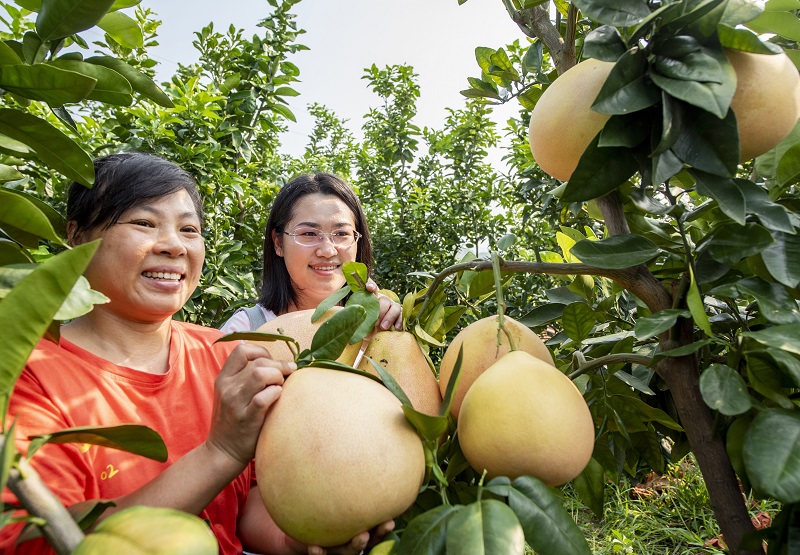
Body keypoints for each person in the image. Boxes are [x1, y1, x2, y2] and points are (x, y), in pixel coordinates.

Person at [0, 153, 389, 555]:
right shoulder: (27, 375)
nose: (173, 246)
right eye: (144, 223)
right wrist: (220, 452)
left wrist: (298, 540)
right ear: (77, 237)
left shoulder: (226, 356)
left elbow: (250, 499)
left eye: (189, 229)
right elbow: (37, 541)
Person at [220, 172, 402, 334]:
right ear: (278, 243)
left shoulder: (379, 328)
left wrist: (391, 330)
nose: (327, 250)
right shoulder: (243, 331)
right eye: (309, 234)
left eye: (341, 234)